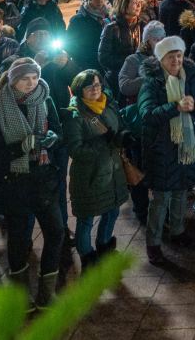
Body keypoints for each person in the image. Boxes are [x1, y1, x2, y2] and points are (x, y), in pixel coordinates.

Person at [0, 58, 64, 307]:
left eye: (33, 78)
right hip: (16, 182)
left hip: (43, 179)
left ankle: (46, 292)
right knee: (19, 238)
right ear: (13, 80)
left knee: (56, 231)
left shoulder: (45, 98)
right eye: (24, 79)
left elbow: (59, 132)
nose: (30, 84)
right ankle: (21, 295)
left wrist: (52, 139)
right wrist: (21, 147)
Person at [137, 36, 195, 262]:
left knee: (180, 192)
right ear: (161, 59)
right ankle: (154, 243)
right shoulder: (152, 82)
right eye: (170, 56)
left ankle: (178, 231)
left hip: (186, 144)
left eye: (179, 55)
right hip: (161, 148)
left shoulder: (192, 76)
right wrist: (175, 107)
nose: (176, 60)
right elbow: (146, 115)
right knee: (160, 198)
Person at [62, 69, 128, 271]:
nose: (95, 89)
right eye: (89, 86)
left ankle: (104, 244)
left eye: (98, 85)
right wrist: (103, 144)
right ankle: (87, 256)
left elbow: (119, 126)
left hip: (113, 171)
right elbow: (75, 149)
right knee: (86, 218)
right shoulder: (75, 115)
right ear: (79, 90)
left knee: (112, 211)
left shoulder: (108, 104)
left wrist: (123, 135)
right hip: (89, 176)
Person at [99, 0, 143, 96]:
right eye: (134, 2)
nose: (138, 5)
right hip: (116, 79)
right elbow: (103, 58)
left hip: (136, 77)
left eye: (139, 2)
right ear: (124, 5)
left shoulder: (141, 26)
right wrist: (128, 64)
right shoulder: (111, 28)